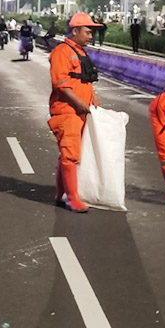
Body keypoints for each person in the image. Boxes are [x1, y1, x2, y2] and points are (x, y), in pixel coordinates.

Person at [48, 13, 103, 213]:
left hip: (78, 110)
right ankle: (72, 198)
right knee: (70, 155)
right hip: (68, 111)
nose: (91, 36)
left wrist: (92, 96)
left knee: (68, 154)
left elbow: (81, 79)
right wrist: (79, 102)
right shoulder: (63, 52)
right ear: (75, 31)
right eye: (88, 32)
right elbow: (61, 83)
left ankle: (61, 194)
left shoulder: (77, 51)